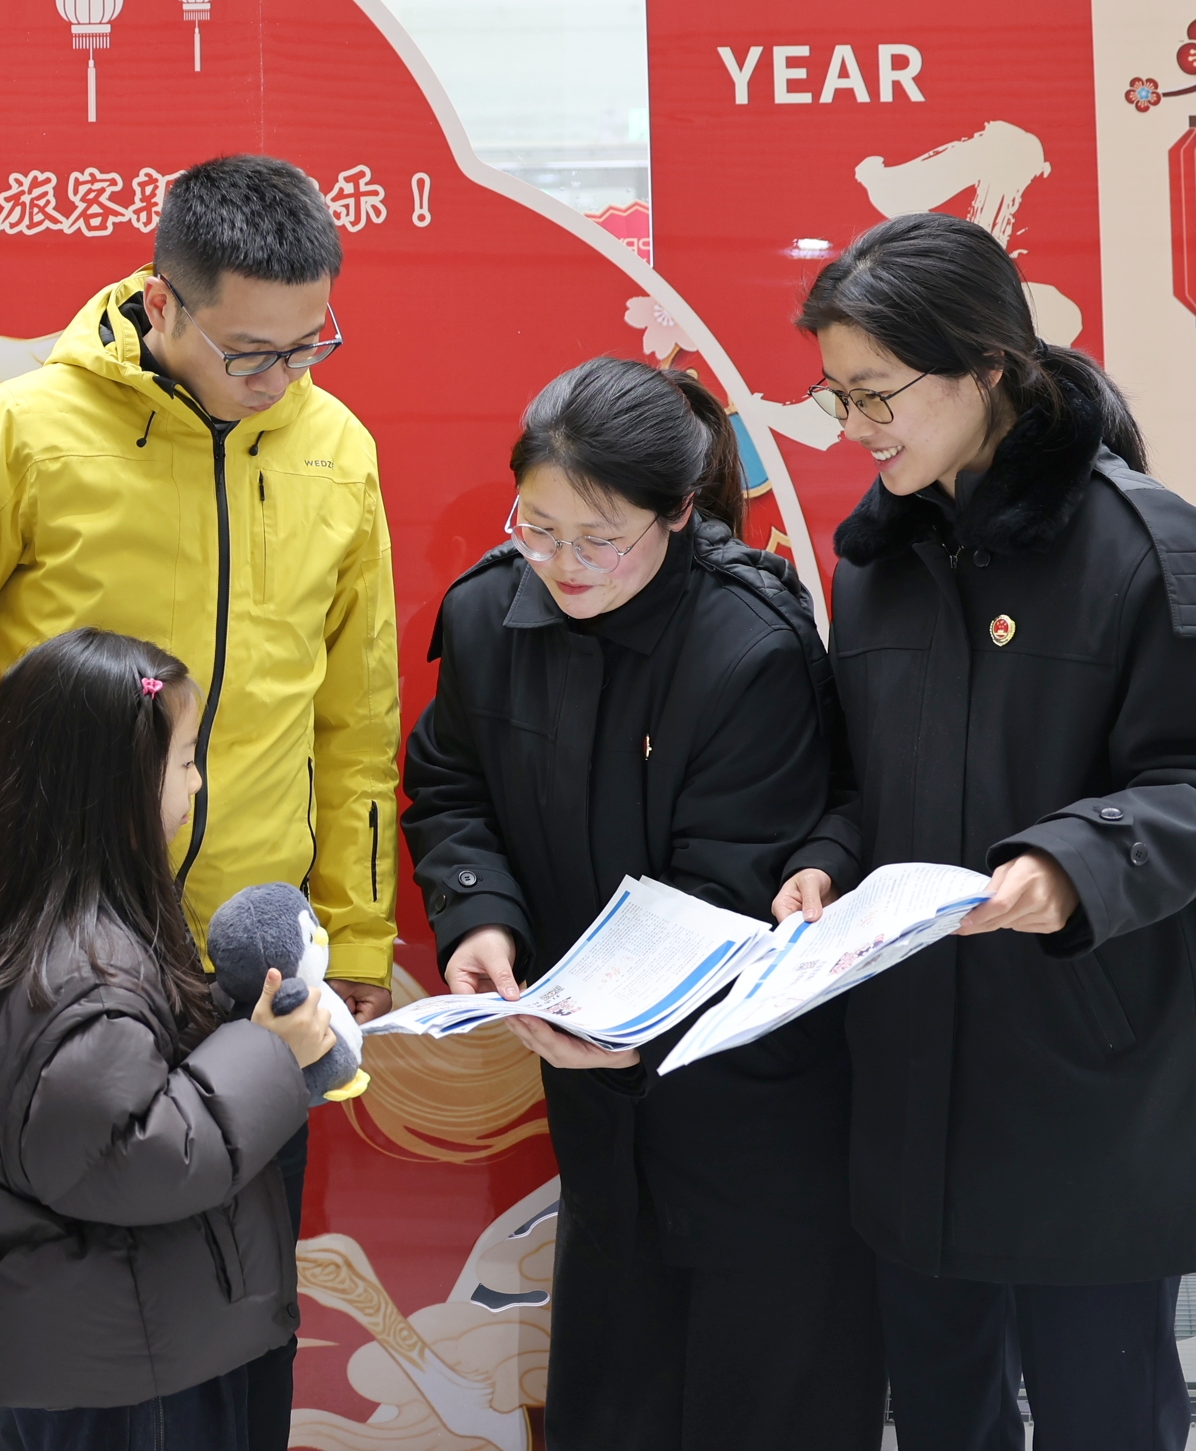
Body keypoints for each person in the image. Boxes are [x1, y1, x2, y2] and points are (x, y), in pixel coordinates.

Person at [0, 153, 400, 1445]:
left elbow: (356, 721)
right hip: (78, 968)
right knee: (81, 1357)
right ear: (161, 302)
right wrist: (60, 793)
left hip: (254, 969)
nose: (283, 378)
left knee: (231, 1344)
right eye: (251, 351)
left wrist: (357, 934)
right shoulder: (27, 429)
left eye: (311, 343)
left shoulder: (337, 450)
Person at [771, 211, 1196, 1449]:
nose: (855, 426)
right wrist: (822, 862)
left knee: (1101, 1413)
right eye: (837, 395)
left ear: (988, 365)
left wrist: (1068, 863)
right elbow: (859, 776)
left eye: (876, 392)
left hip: (1088, 1085)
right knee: (941, 1412)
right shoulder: (877, 561)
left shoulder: (1149, 546)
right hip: (916, 1079)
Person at [402, 356, 886, 1450]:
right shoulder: (486, 613)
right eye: (537, 527)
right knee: (613, 1405)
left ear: (677, 514)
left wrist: (617, 1017)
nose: (562, 565)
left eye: (600, 538)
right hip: (600, 1114)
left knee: (770, 1410)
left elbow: (728, 881)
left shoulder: (747, 645)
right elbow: (450, 784)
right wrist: (480, 914)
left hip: (756, 1110)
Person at [0, 627, 335, 1451]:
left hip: (113, 1347)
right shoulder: (88, 973)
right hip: (127, 1379)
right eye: (185, 760)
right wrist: (269, 1052)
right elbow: (134, 1154)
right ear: (121, 791)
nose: (197, 780)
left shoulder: (70, 938)